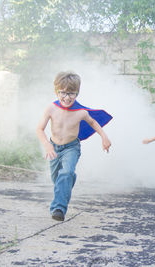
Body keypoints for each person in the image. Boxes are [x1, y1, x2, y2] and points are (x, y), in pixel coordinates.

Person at [36, 71, 112, 221]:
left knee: (66, 173)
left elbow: (93, 122)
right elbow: (39, 129)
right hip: (54, 148)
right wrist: (47, 145)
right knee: (58, 178)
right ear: (56, 92)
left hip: (71, 148)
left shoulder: (81, 112)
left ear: (77, 93)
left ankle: (58, 209)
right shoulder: (51, 108)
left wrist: (104, 137)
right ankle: (69, 178)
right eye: (62, 93)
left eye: (71, 93)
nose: (66, 97)